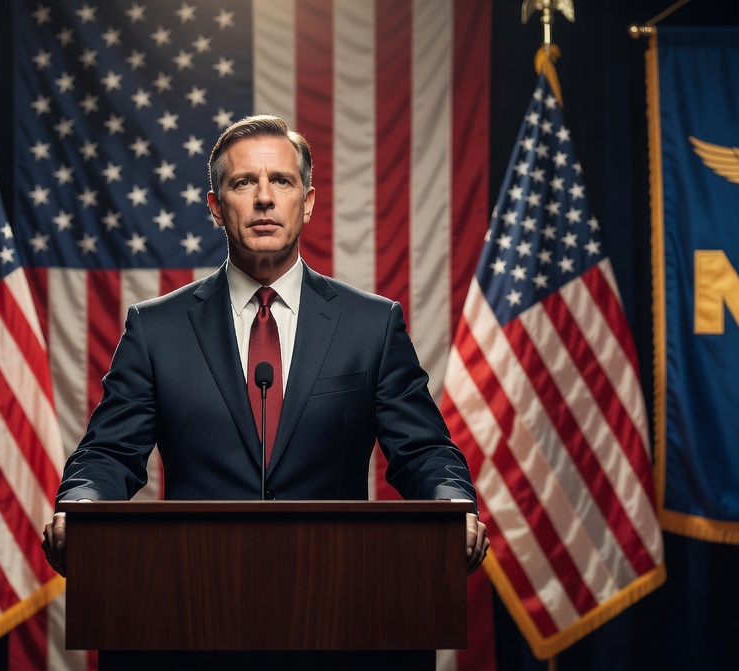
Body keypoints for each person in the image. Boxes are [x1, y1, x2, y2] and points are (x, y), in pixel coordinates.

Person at [41, 115, 487, 575]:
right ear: (215, 206)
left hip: (339, 600)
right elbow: (108, 454)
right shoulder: (155, 330)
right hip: (193, 601)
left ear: (307, 202)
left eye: (281, 180)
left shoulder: (372, 325)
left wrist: (451, 505)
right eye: (243, 183)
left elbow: (424, 451)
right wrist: (81, 504)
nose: (264, 198)